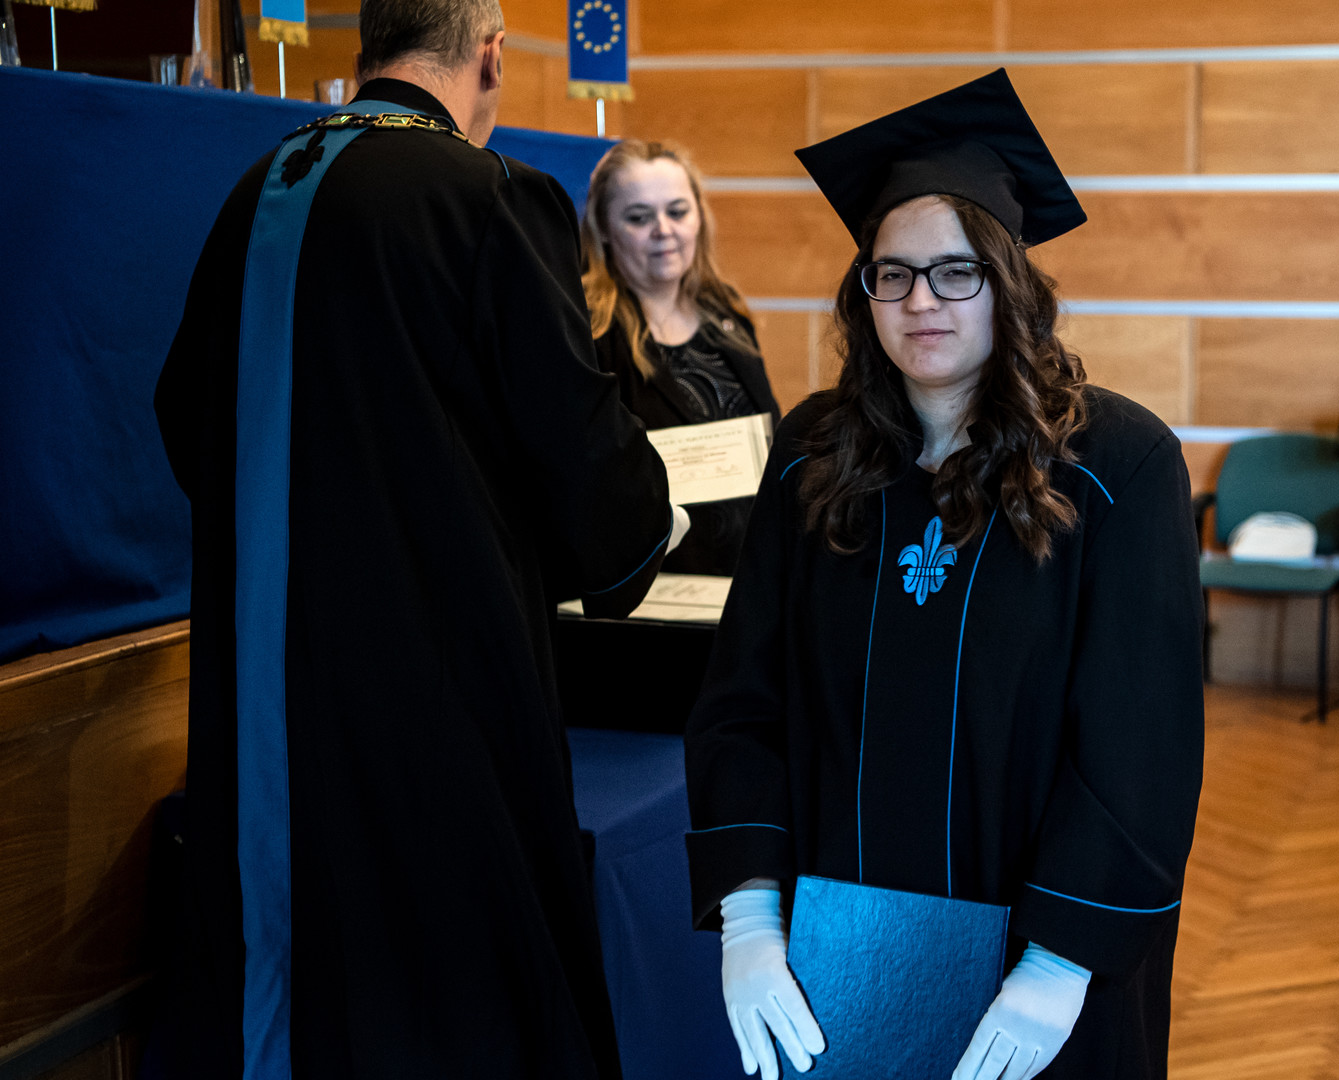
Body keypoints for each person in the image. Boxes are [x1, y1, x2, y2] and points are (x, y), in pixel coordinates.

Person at [152, 1, 684, 1076]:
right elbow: (579, 446)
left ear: (371, 45)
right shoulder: (487, 195)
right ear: (491, 54)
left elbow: (180, 414)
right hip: (435, 683)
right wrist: (643, 521)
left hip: (267, 693)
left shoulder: (258, 189)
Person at [683, 70, 1205, 1080]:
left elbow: (1141, 741)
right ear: (865, 291)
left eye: (956, 271)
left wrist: (1059, 958)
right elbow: (744, 701)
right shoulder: (811, 456)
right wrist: (749, 914)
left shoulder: (1117, 467)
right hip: (843, 952)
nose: (921, 299)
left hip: (1040, 966)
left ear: (1009, 283)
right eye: (894, 273)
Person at [581, 139, 781, 575]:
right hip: (657, 583)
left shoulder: (727, 315)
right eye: (639, 217)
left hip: (748, 575)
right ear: (603, 229)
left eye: (677, 211)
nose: (663, 230)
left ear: (699, 218)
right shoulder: (588, 334)